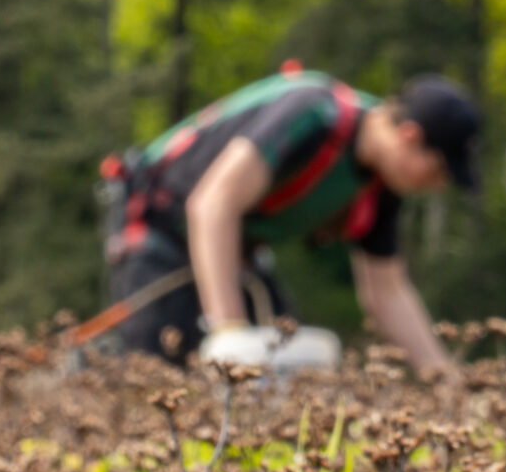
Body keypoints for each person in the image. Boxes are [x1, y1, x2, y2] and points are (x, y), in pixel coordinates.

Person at [98, 64, 479, 376]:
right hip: (160, 222)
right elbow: (213, 204)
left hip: (236, 251)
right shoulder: (312, 114)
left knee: (288, 363)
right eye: (438, 171)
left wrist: (443, 377)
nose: (438, 185)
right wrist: (229, 330)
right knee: (154, 370)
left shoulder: (380, 187)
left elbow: (388, 292)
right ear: (410, 137)